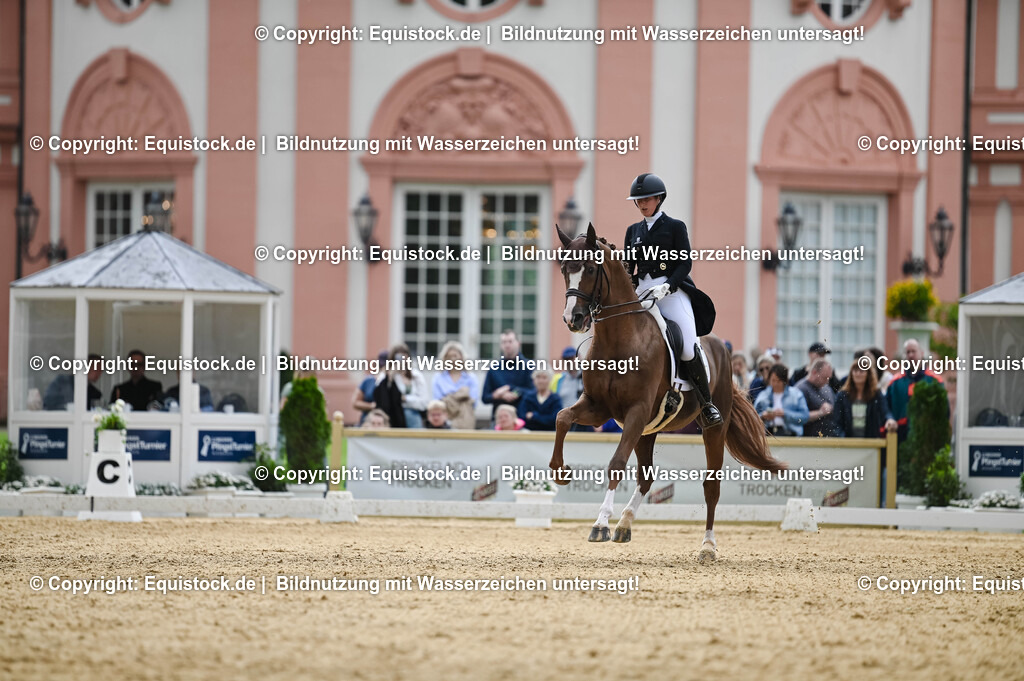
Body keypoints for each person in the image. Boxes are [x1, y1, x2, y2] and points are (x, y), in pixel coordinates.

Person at [623, 173, 721, 428]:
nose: (642, 204)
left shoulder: (675, 227)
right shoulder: (633, 231)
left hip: (672, 292)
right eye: (638, 200)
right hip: (642, 293)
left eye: (647, 199)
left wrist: (667, 286)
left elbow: (685, 263)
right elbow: (628, 268)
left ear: (659, 199)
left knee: (687, 346)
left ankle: (707, 403)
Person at [886, 338, 946, 443]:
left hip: (927, 437)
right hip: (900, 436)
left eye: (913, 351)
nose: (910, 355)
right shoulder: (895, 383)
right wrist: (890, 419)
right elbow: (886, 408)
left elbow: (944, 411)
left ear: (921, 353)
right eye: (907, 352)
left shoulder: (934, 381)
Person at [834, 358, 898, 438]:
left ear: (868, 374)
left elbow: (885, 411)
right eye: (855, 371)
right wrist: (843, 439)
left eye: (861, 371)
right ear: (851, 374)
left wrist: (890, 420)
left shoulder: (876, 394)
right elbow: (836, 422)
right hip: (847, 442)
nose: (858, 374)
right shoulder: (842, 395)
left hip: (870, 441)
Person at [481, 329, 533, 420]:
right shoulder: (494, 368)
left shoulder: (529, 366)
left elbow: (533, 392)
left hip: (521, 418)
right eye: (504, 342)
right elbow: (485, 397)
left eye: (510, 341)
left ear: (518, 344)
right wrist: (498, 395)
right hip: (499, 420)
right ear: (501, 345)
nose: (507, 345)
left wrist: (513, 391)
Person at [378, 343, 428, 428]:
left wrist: (405, 399)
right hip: (391, 415)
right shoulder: (385, 375)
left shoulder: (416, 375)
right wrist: (390, 378)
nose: (402, 359)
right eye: (398, 356)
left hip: (412, 416)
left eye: (404, 356)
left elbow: (424, 402)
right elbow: (380, 396)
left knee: (409, 414)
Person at [431, 340, 479, 429]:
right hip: (444, 422)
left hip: (465, 420)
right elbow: (437, 402)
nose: (453, 359)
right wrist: (461, 397)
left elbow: (473, 402)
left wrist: (449, 400)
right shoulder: (438, 378)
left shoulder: (471, 378)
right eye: (449, 356)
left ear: (462, 357)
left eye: (455, 356)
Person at [754, 364, 809, 436]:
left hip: (791, 434)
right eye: (773, 380)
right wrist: (763, 416)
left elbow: (805, 417)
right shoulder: (763, 395)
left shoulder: (796, 394)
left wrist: (785, 414)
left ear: (785, 380)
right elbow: (753, 417)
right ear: (769, 379)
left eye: (779, 381)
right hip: (768, 433)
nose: (775, 384)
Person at [795, 358, 837, 437]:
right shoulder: (800, 389)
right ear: (814, 372)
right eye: (824, 378)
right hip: (809, 439)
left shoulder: (827, 388)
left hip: (829, 437)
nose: (827, 382)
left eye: (829, 378)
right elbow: (796, 417)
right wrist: (820, 412)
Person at [352, 350, 389, 425]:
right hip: (368, 421)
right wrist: (371, 406)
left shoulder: (394, 383)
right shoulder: (369, 381)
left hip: (387, 422)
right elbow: (355, 403)